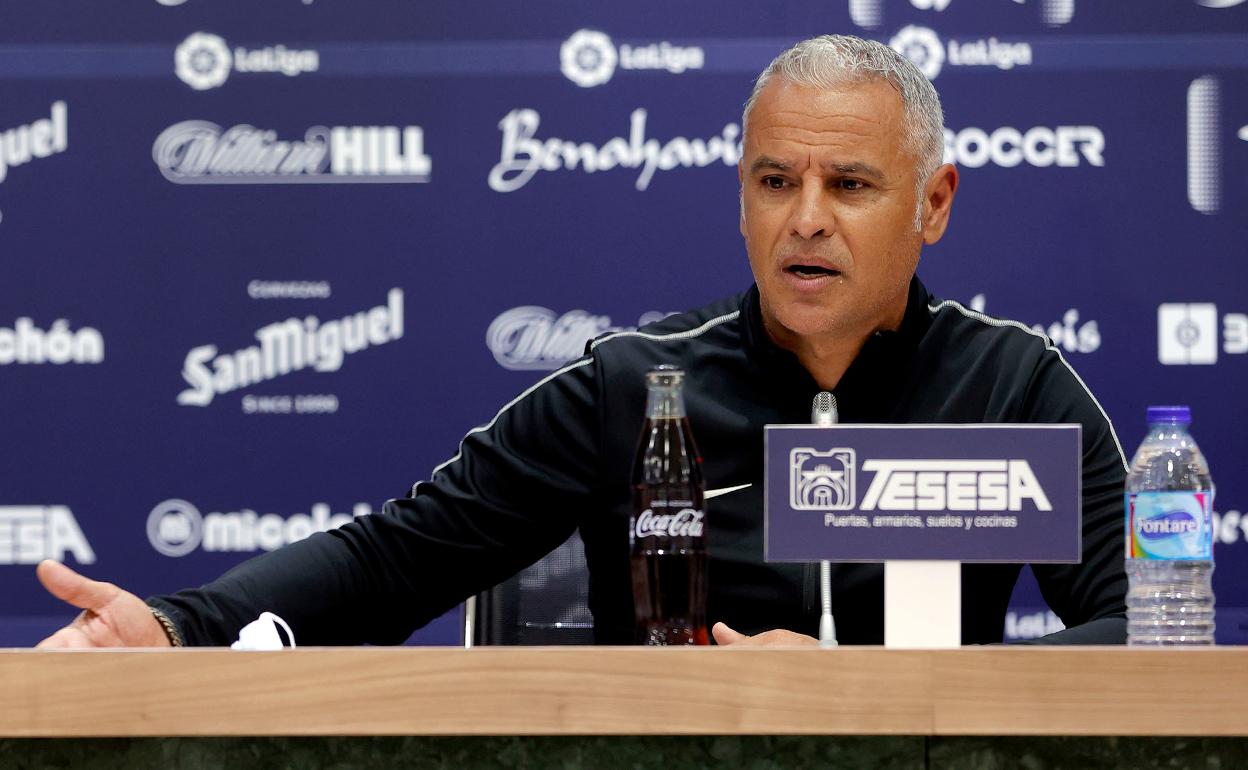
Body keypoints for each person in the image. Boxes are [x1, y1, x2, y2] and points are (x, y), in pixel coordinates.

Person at [35, 34, 1127, 649]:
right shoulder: (638, 385)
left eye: (848, 185)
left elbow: (1142, 627)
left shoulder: (1015, 389)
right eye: (773, 182)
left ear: (933, 203)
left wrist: (877, 689)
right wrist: (176, 627)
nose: (806, 218)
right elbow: (396, 554)